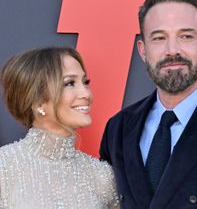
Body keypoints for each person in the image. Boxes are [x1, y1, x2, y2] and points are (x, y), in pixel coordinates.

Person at [100, 0, 197, 209]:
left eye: (186, 36)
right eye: (159, 38)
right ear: (143, 51)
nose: (172, 50)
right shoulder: (118, 129)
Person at [0, 47, 119, 208]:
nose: (86, 93)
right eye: (70, 83)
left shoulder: (101, 175)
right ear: (38, 101)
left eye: (85, 82)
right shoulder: (5, 165)